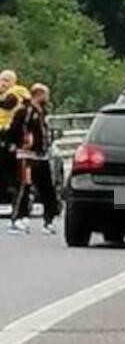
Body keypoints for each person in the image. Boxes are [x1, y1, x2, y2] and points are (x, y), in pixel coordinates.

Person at [7, 84, 57, 235]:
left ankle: (49, 219)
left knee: (47, 187)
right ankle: (18, 219)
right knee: (24, 186)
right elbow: (15, 129)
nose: (47, 99)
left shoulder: (42, 112)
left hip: (41, 155)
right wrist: (18, 144)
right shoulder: (25, 111)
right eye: (46, 95)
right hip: (26, 156)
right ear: (40, 94)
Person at [0, 70, 30, 206]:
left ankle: (13, 193)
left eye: (6, 80)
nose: (2, 83)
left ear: (13, 81)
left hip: (12, 136)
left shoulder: (17, 92)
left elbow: (8, 103)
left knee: (9, 168)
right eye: (1, 80)